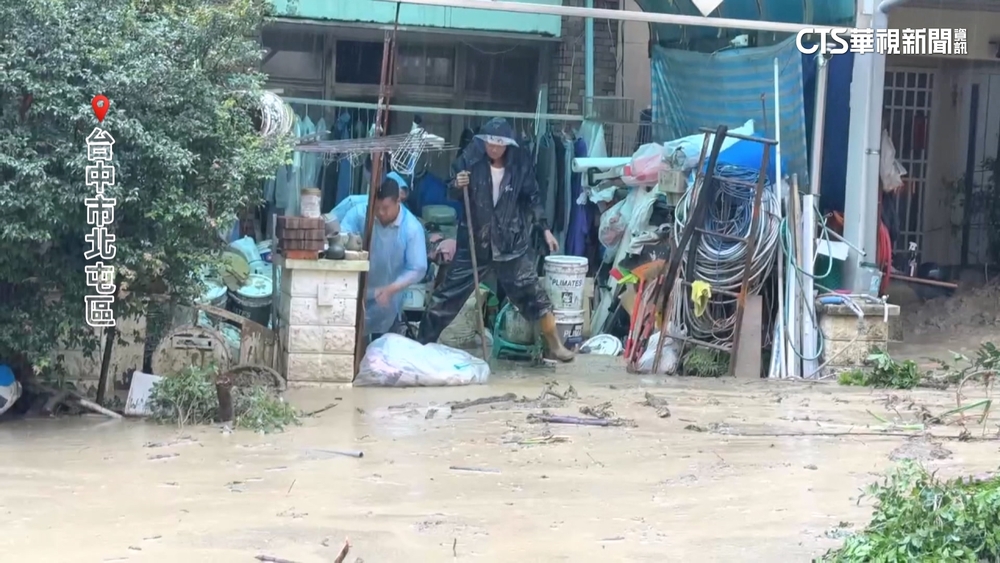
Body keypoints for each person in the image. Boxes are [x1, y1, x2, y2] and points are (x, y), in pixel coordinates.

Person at [416, 117, 574, 362]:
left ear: (507, 144)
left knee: (535, 296)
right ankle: (420, 345)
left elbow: (533, 198)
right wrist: (457, 183)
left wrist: (545, 229)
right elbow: (452, 189)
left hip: (511, 243)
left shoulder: (519, 163)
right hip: (475, 241)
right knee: (447, 297)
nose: (493, 147)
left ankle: (555, 345)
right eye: (489, 142)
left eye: (499, 143)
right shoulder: (471, 157)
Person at [340, 174, 427, 339]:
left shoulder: (411, 229)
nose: (380, 212)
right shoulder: (359, 214)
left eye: (385, 208)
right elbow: (341, 237)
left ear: (398, 201)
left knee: (382, 347)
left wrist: (390, 289)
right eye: (376, 207)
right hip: (355, 294)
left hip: (388, 300)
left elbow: (418, 268)